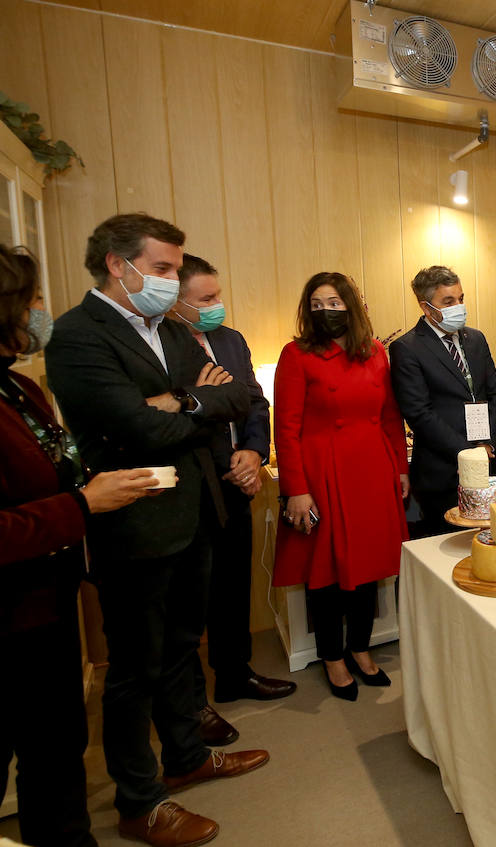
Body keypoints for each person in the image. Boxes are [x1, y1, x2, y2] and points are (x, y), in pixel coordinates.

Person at [45, 213, 268, 847]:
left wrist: (181, 402)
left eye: (175, 269)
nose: (172, 281)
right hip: (134, 522)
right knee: (135, 667)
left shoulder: (166, 328)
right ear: (120, 264)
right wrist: (190, 404)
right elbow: (138, 430)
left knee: (180, 648)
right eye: (164, 269)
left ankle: (186, 755)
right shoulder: (78, 336)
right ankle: (139, 801)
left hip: (194, 512)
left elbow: (239, 398)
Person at [0, 240, 158, 847]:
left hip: (46, 610)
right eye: (32, 299)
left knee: (57, 756)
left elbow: (54, 472)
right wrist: (81, 504)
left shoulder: (19, 388)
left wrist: (98, 495)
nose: (42, 310)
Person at [170, 255, 296, 735]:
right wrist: (228, 463)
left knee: (232, 584)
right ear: (177, 303)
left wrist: (254, 453)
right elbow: (175, 417)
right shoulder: (165, 348)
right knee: (191, 601)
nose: (216, 306)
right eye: (205, 300)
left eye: (217, 296)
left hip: (241, 478)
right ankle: (192, 705)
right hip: (197, 487)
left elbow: (255, 401)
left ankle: (234, 674)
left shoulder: (231, 340)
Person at [273, 272, 407, 700]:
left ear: (351, 305)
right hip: (321, 474)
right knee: (325, 573)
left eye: (333, 302)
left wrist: (399, 470)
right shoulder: (296, 355)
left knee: (367, 568)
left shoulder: (375, 353)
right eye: (316, 303)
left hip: (370, 469)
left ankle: (361, 648)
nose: (325, 311)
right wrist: (296, 488)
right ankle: (332, 656)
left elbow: (389, 417)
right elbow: (286, 428)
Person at [389, 265, 496, 538]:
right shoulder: (407, 348)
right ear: (426, 307)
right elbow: (419, 413)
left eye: (461, 298)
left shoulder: (475, 339)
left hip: (487, 463)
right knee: (447, 553)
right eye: (448, 301)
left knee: (489, 546)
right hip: (442, 472)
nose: (459, 307)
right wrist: (467, 452)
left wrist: (487, 443)